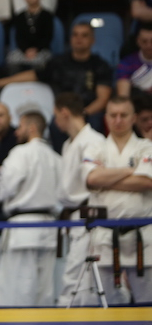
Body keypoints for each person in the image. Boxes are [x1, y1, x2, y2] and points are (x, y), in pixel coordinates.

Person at [0, 22, 113, 152]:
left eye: (84, 35)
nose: (79, 39)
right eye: (75, 35)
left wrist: (82, 114)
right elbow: (34, 75)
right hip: (63, 112)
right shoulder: (60, 62)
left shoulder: (100, 65)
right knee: (54, 126)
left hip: (89, 113)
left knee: (95, 123)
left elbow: (102, 99)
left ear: (92, 40)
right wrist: (0, 82)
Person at [83, 97, 152, 305]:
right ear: (106, 118)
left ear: (134, 118)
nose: (118, 120)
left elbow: (145, 181)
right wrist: (131, 170)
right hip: (105, 235)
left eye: (123, 115)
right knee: (106, 304)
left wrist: (107, 178)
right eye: (113, 115)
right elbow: (92, 179)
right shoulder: (95, 147)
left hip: (142, 235)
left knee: (147, 303)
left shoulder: (146, 147)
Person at [0, 111, 61, 307]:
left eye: (20, 127)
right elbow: (63, 193)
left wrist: (0, 177)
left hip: (22, 226)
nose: (16, 132)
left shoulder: (20, 153)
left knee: (16, 288)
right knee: (44, 289)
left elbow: (6, 188)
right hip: (50, 227)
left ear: (32, 128)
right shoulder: (56, 157)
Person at [52, 92, 105, 307]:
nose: (55, 121)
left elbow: (94, 179)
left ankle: (68, 319)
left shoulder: (93, 141)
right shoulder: (69, 144)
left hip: (89, 214)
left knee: (78, 277)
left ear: (64, 112)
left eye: (56, 115)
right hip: (74, 216)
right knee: (76, 275)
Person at [6, 0, 55, 73]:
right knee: (11, 59)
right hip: (24, 51)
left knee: (41, 62)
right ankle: (16, 81)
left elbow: (48, 37)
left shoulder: (47, 16)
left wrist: (36, 49)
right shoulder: (20, 16)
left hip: (42, 50)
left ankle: (38, 81)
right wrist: (26, 50)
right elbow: (19, 37)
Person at [116, 23, 152, 99]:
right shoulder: (127, 63)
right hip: (136, 104)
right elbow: (123, 97)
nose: (149, 45)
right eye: (144, 41)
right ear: (138, 41)